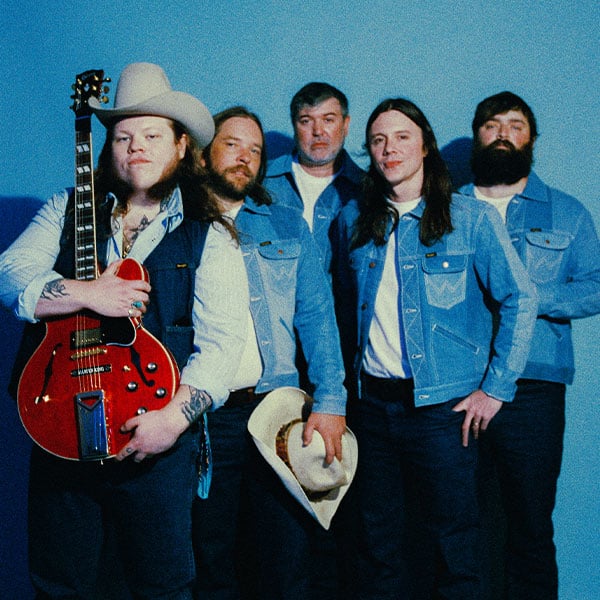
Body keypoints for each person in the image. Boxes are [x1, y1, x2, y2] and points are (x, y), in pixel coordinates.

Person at [0, 62, 245, 599]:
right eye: (123, 137)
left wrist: (172, 421)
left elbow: (223, 347)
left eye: (152, 135)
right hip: (59, 422)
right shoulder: (65, 208)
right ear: (109, 148)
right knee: (61, 582)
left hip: (156, 436)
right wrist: (89, 293)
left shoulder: (209, 235)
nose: (136, 148)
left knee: (161, 585)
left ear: (181, 146)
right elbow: (10, 274)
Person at [331, 98, 537, 599]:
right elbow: (339, 310)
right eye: (378, 140)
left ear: (424, 145)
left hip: (443, 412)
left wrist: (496, 388)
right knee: (377, 546)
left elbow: (521, 297)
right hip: (372, 408)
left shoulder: (470, 219)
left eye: (402, 137)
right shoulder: (352, 219)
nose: (389, 149)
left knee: (453, 547)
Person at [191, 106, 347, 600]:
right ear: (202, 155)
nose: (245, 158)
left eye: (255, 150)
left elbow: (318, 318)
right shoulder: (178, 224)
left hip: (276, 412)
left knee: (285, 557)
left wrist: (331, 400)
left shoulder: (286, 224)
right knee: (210, 556)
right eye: (232, 144)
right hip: (203, 416)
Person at [459, 91, 600, 600]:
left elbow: (596, 285)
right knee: (461, 524)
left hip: (535, 386)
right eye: (492, 124)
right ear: (477, 135)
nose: (503, 134)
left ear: (532, 139)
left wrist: (530, 297)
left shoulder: (566, 212)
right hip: (459, 383)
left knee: (530, 525)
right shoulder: (447, 207)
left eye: (515, 125)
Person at [264, 82, 363, 270]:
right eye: (306, 121)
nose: (318, 131)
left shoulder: (367, 191)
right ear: (294, 126)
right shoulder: (262, 183)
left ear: (345, 125)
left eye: (328, 120)